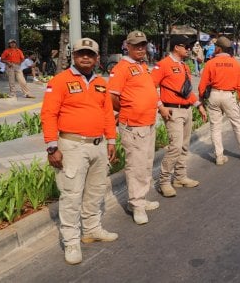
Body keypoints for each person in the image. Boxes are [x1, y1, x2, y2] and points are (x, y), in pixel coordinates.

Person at [40, 38, 118, 265]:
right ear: (74, 56)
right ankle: (71, 241)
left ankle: (92, 229)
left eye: (90, 54)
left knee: (96, 191)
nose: (86, 57)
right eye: (81, 53)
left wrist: (111, 141)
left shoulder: (100, 83)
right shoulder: (60, 81)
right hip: (72, 146)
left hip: (98, 145)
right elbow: (49, 114)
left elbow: (106, 114)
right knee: (71, 195)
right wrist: (52, 146)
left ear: (96, 58)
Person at [108, 31, 161, 225]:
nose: (140, 49)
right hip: (133, 125)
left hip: (148, 122)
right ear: (127, 46)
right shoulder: (121, 68)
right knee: (136, 165)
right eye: (136, 45)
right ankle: (136, 204)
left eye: (143, 45)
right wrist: (129, 109)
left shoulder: (142, 66)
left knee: (146, 163)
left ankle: (140, 199)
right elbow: (113, 97)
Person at [151, 35, 203, 198]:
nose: (188, 50)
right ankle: (164, 181)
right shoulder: (163, 65)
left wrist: (199, 105)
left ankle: (180, 177)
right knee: (175, 146)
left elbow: (186, 91)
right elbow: (151, 88)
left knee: (185, 146)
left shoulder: (184, 66)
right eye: (186, 46)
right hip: (172, 111)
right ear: (176, 48)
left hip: (186, 110)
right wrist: (161, 107)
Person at [198, 36, 240, 165]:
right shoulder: (235, 63)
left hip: (214, 95)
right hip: (228, 96)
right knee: (237, 124)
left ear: (218, 48)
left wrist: (201, 99)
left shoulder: (210, 63)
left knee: (215, 127)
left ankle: (219, 156)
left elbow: (202, 84)